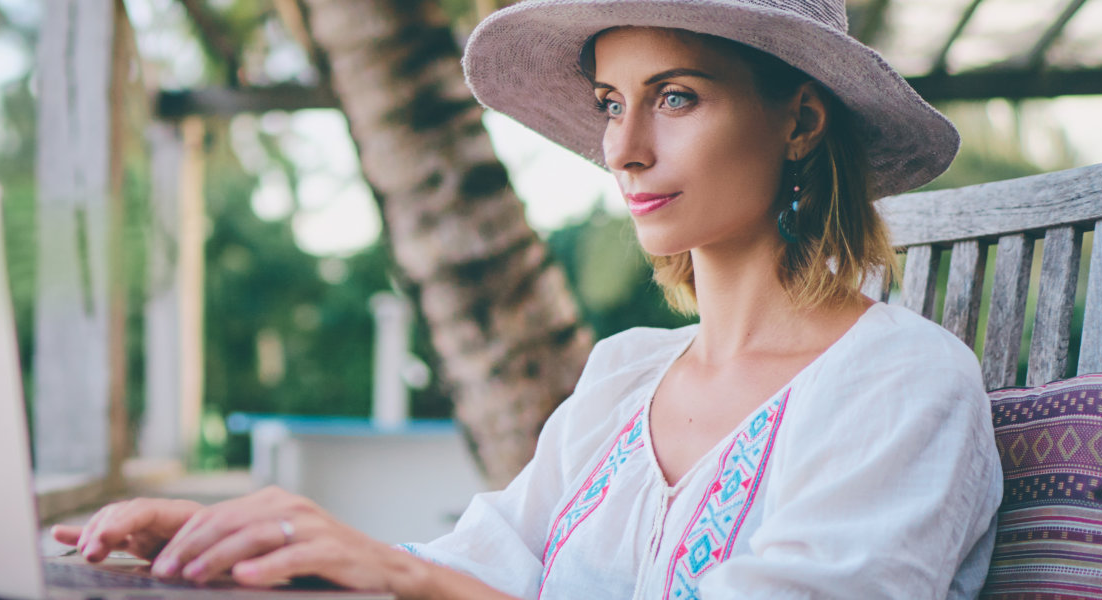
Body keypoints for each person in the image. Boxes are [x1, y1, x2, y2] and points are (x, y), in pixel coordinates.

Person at [50, 0, 1003, 597]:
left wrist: (407, 578)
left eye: (675, 96)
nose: (623, 148)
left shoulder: (903, 381)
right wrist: (279, 546)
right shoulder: (623, 377)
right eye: (609, 103)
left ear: (800, 119)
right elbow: (482, 561)